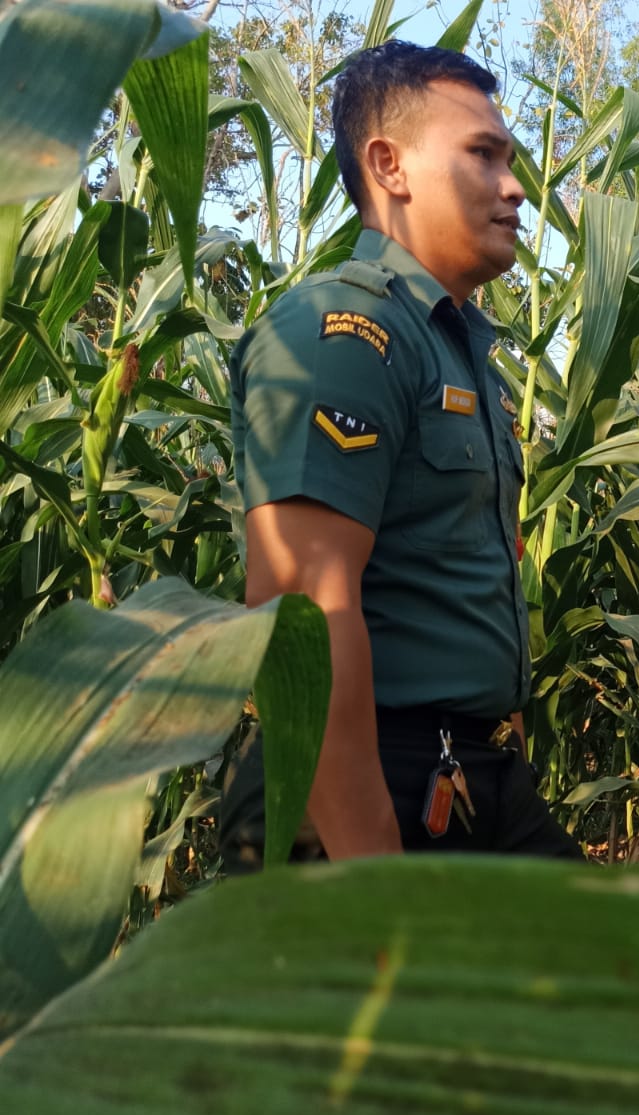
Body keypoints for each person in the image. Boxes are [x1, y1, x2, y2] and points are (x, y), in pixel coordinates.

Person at [220, 40, 583, 867]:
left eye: (511, 159)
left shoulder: (457, 348)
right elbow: (299, 606)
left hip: (469, 778)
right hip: (361, 782)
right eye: (483, 156)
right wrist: (368, 867)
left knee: (622, 982)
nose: (516, 186)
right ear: (390, 167)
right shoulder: (346, 336)